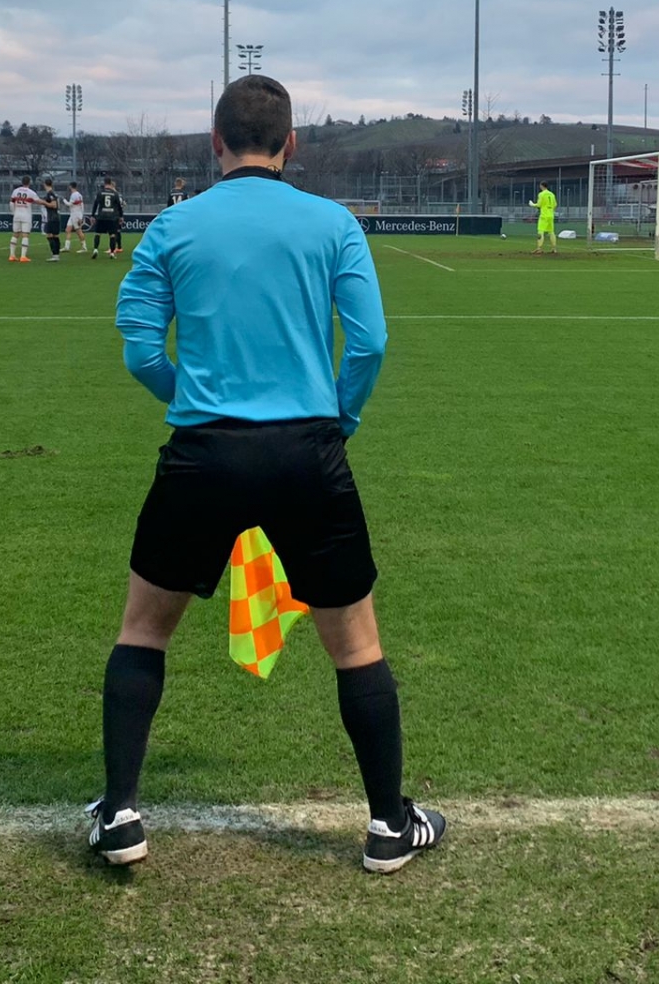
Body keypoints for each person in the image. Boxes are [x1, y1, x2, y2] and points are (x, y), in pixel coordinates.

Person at [93, 73, 442, 875]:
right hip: (306, 452)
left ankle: (119, 816)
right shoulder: (333, 224)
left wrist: (191, 399)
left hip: (203, 451)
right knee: (355, 644)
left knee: (144, 630)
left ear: (215, 142)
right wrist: (339, 415)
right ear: (292, 144)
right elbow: (371, 341)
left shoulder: (173, 226)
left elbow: (141, 349)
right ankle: (388, 826)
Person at [8, 174, 46, 262]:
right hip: (26, 215)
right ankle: (23, 256)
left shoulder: (15, 191)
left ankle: (12, 255)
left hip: (17, 215)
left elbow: (11, 203)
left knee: (15, 234)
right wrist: (47, 203)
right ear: (29, 182)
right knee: (25, 235)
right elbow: (38, 201)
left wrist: (13, 212)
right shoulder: (31, 192)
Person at [92, 176, 126, 259]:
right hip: (112, 217)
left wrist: (92, 215)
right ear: (111, 183)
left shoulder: (100, 193)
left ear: (104, 183)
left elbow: (95, 204)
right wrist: (121, 216)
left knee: (98, 233)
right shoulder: (115, 194)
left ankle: (95, 250)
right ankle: (112, 253)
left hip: (101, 216)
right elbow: (119, 206)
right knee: (112, 235)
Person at [39, 179, 64, 260]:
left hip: (52, 217)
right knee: (55, 236)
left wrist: (44, 202)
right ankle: (56, 255)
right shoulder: (53, 193)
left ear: (45, 184)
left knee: (50, 235)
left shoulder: (50, 194)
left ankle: (54, 254)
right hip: (55, 217)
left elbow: (54, 205)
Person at [533, 180, 558, 254]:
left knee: (540, 232)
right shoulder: (552, 194)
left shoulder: (541, 194)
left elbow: (539, 205)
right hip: (551, 215)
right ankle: (554, 249)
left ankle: (539, 248)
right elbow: (555, 205)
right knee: (551, 232)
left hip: (544, 215)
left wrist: (532, 204)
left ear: (541, 186)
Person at [65, 183, 87, 255]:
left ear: (70, 186)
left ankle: (84, 247)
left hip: (75, 215)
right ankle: (67, 247)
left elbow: (69, 204)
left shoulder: (74, 195)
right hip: (73, 214)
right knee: (68, 230)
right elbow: (82, 205)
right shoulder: (79, 195)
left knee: (78, 231)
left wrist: (64, 200)